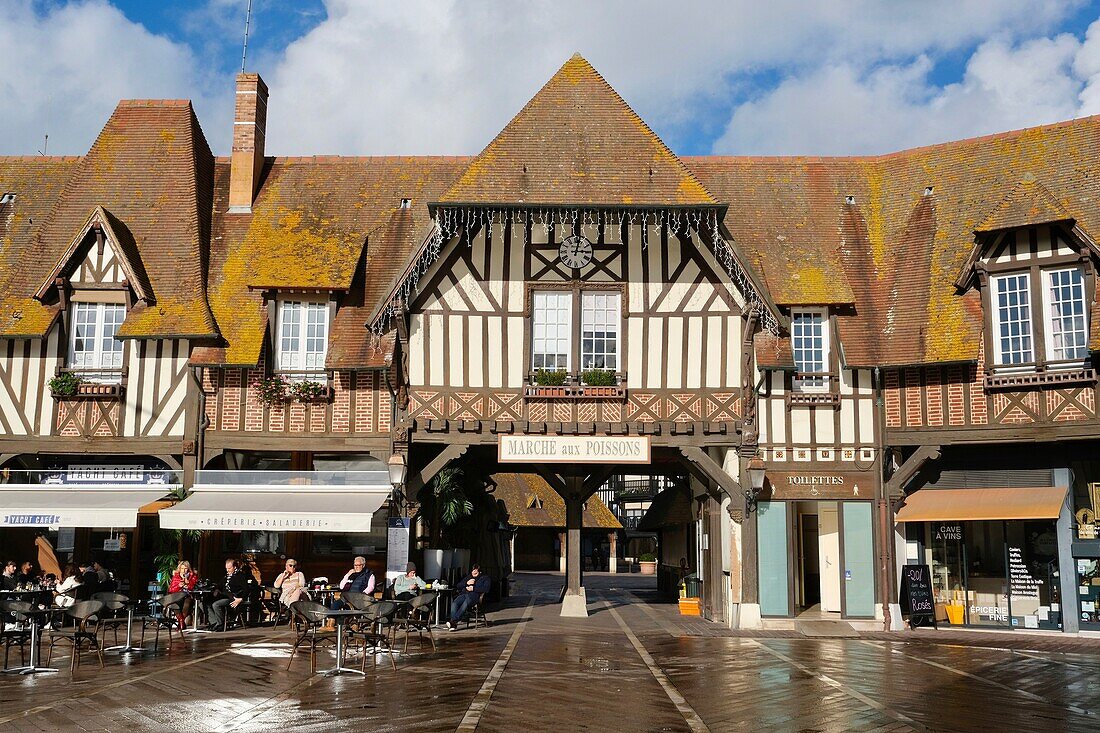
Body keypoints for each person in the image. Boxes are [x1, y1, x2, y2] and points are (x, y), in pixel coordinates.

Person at [206, 559, 252, 631]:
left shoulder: (240, 576)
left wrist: (241, 599)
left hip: (232, 597)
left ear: (234, 567)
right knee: (205, 602)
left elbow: (246, 589)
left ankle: (220, 625)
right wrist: (216, 589)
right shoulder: (226, 576)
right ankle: (214, 622)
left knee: (216, 604)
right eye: (226, 568)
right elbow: (220, 585)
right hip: (223, 595)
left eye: (229, 568)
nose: (227, 570)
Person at [445, 564, 491, 630]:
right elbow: (458, 585)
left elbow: (486, 589)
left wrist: (474, 588)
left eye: (476, 571)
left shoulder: (485, 578)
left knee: (466, 603)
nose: (473, 572)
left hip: (475, 596)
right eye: (472, 570)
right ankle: (453, 624)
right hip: (464, 594)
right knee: (455, 603)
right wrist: (467, 583)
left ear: (480, 572)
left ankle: (453, 621)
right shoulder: (468, 577)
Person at [168, 560, 198, 630]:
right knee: (173, 602)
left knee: (187, 601)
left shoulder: (192, 576)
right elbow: (171, 589)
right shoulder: (176, 577)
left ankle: (181, 622)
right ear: (179, 569)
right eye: (182, 568)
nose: (183, 570)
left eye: (185, 568)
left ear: (188, 569)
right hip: (177, 595)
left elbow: (195, 587)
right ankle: (181, 622)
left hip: (188, 595)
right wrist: (179, 585)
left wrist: (188, 585)